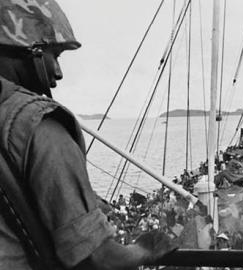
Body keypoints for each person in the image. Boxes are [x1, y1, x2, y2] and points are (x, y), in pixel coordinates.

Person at [0, 1, 177, 269]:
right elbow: (98, 258)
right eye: (55, 55)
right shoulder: (39, 126)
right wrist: (144, 249)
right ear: (31, 51)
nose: (58, 73)